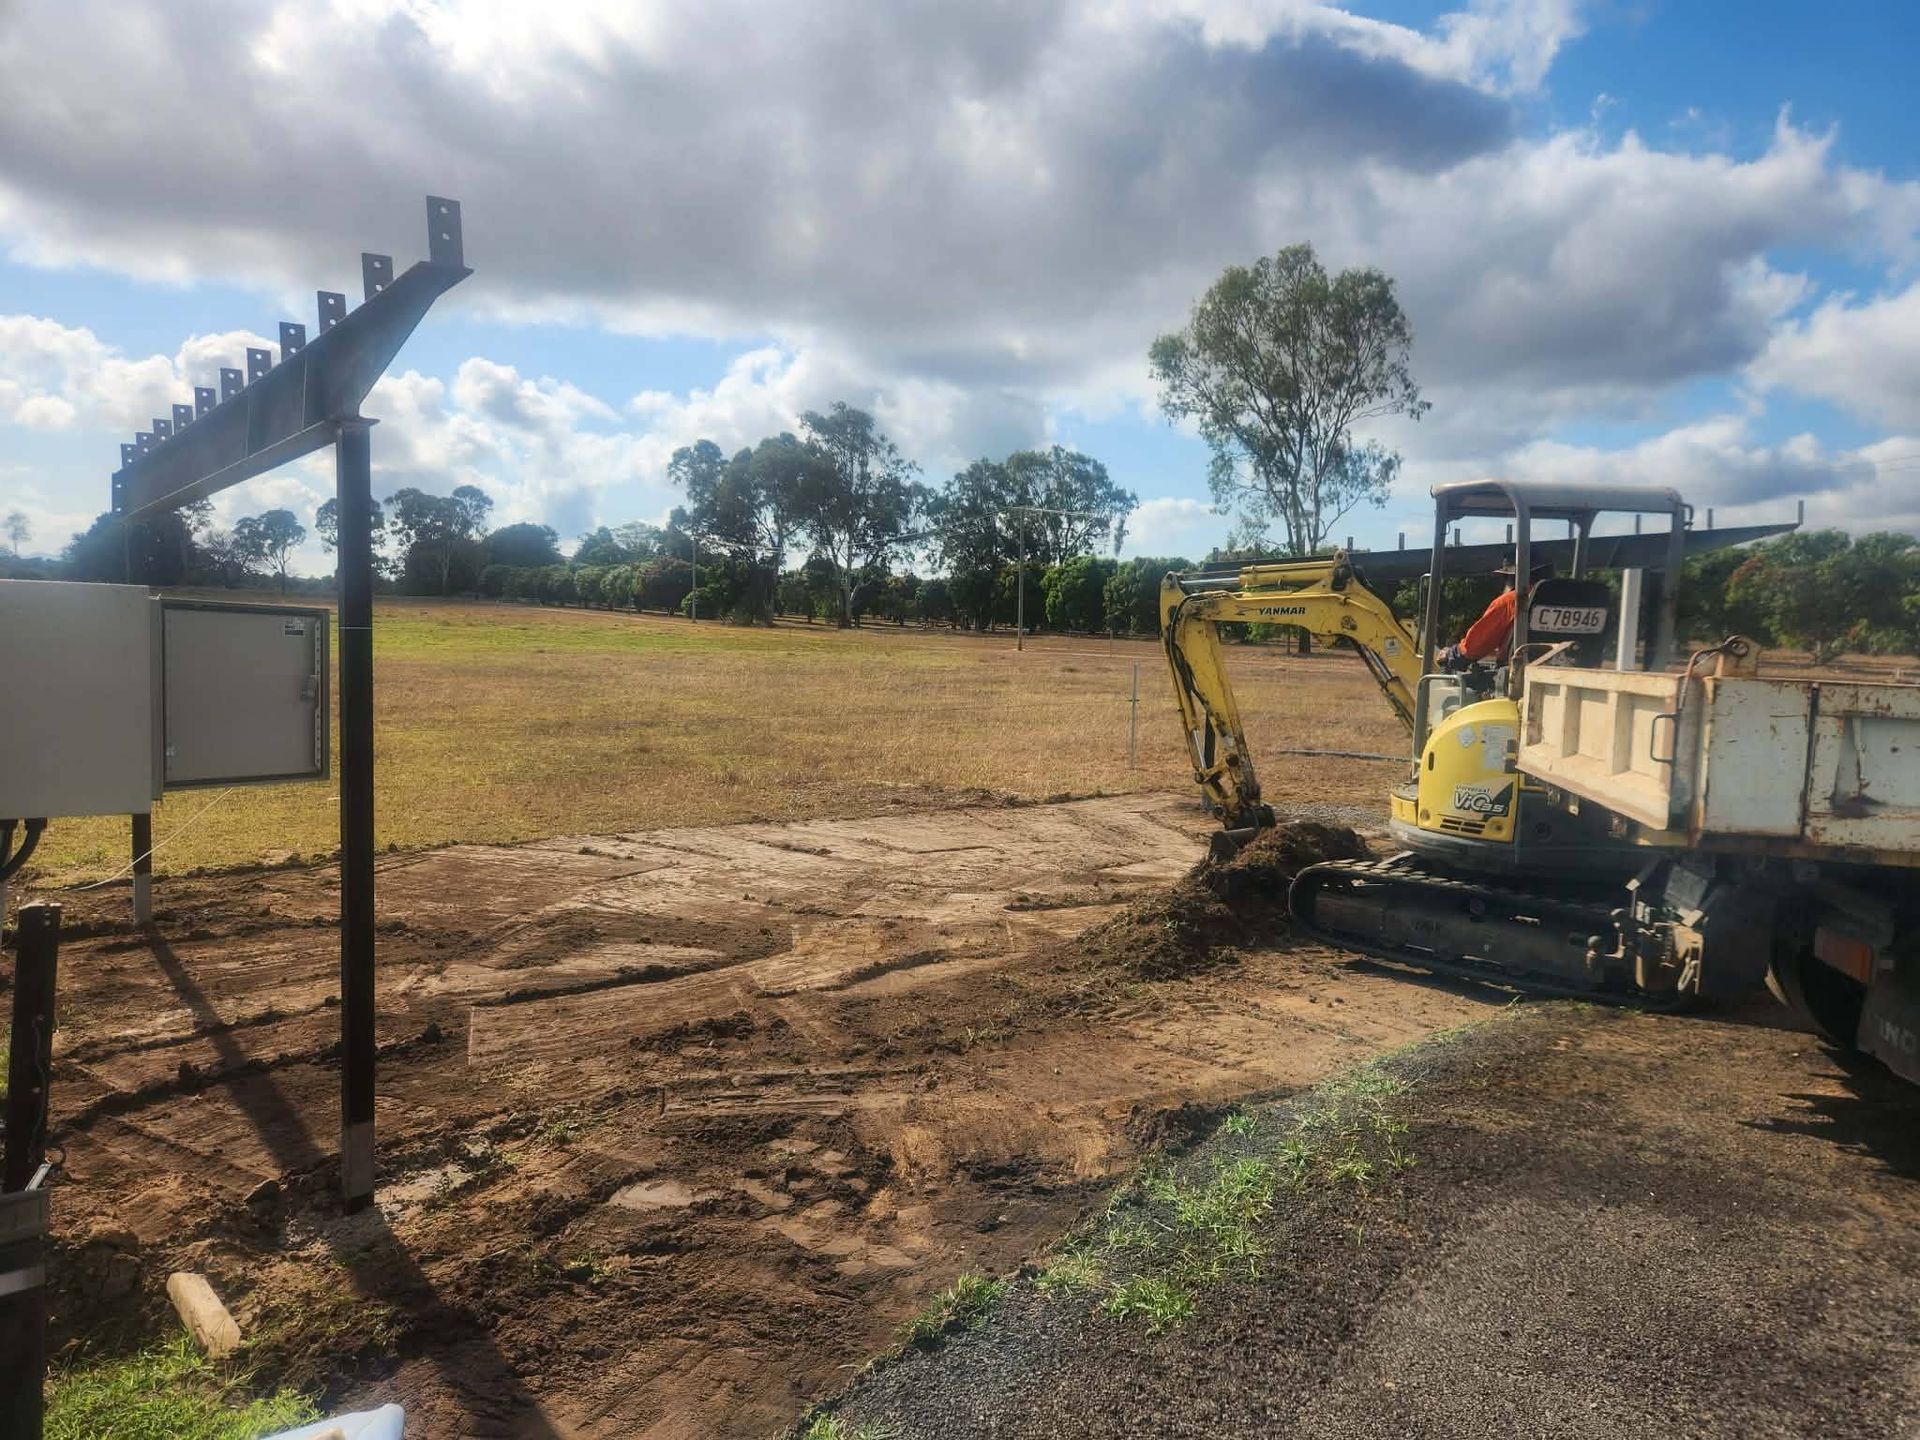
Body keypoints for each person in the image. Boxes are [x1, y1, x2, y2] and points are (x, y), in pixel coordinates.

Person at [1437, 560, 1553, 670]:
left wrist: (1452, 653)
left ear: (1512, 578)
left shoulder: (1512, 600)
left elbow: (1475, 646)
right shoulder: (1566, 600)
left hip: (1516, 673)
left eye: (1505, 578)